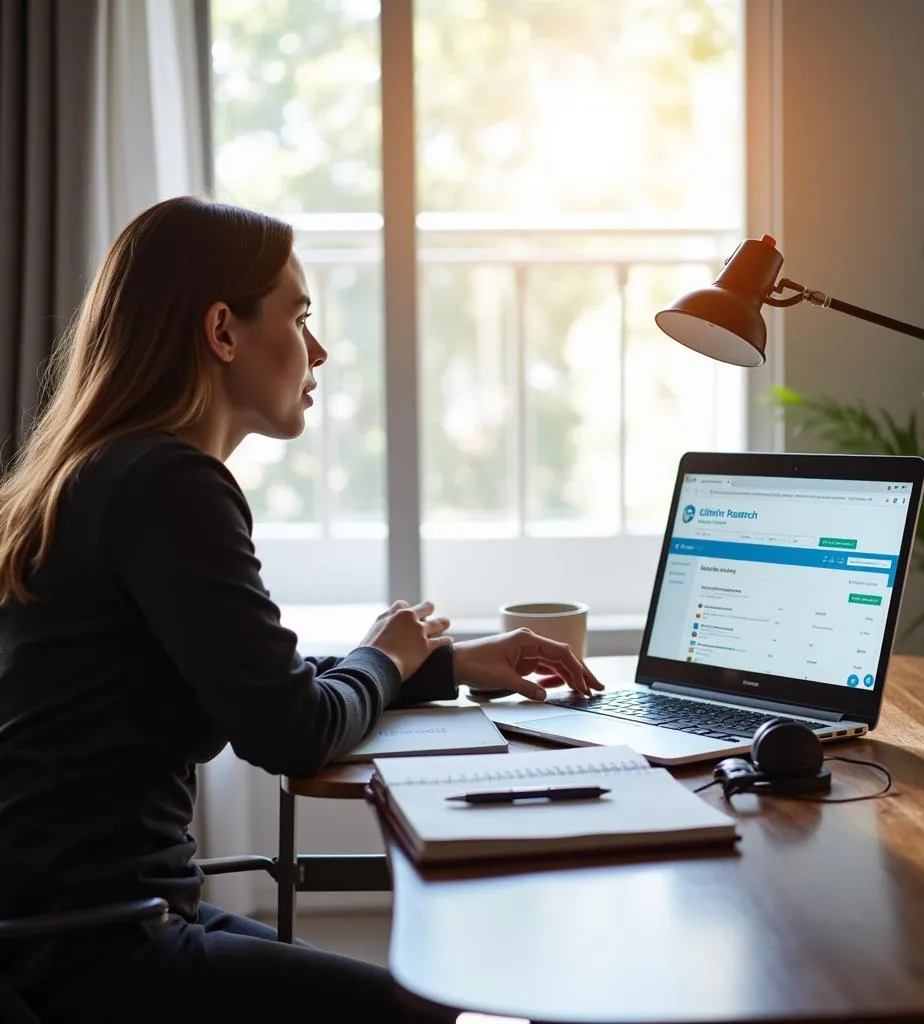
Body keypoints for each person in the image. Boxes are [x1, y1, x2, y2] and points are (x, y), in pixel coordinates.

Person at [0, 195, 603, 1023]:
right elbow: (288, 728)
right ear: (222, 332)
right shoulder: (170, 485)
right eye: (300, 315)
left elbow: (253, 682)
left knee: (427, 996)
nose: (319, 349)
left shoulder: (106, 474)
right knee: (439, 1010)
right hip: (92, 951)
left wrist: (445, 663)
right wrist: (385, 657)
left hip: (65, 928)